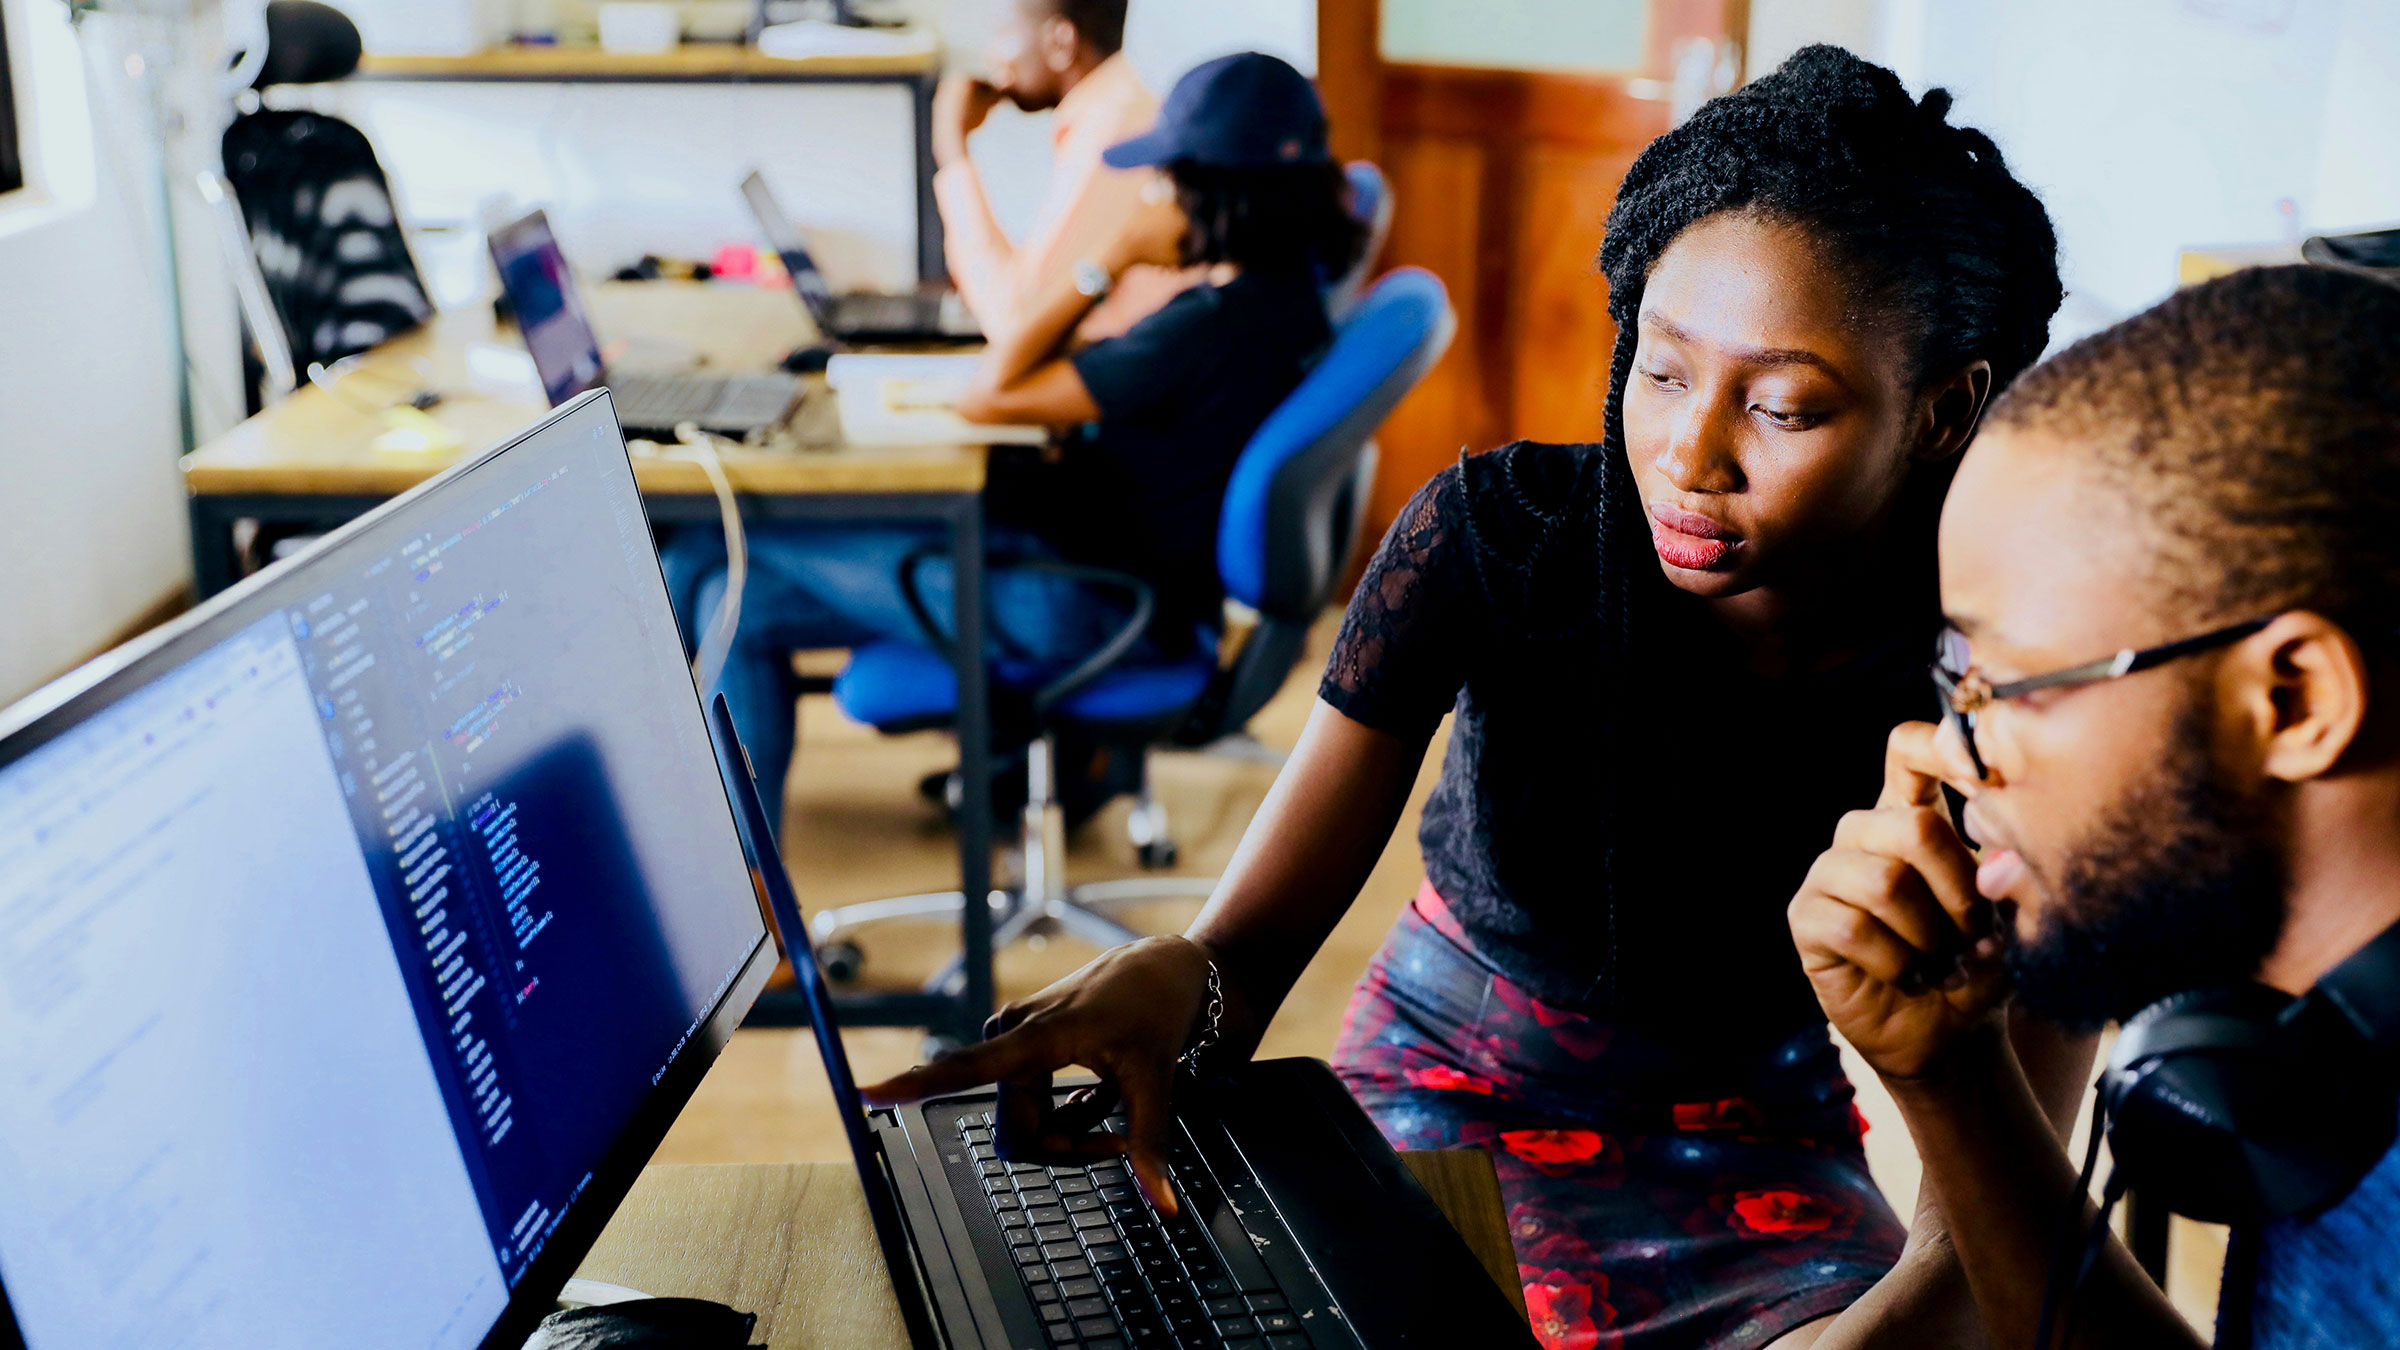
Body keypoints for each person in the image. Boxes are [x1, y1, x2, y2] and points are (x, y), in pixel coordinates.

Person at [866, 47, 2072, 1350]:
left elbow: (1988, 1235)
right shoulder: (1499, 544)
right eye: (1660, 372)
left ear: (1945, 410)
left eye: (1781, 406)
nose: (1689, 454)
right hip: (1446, 1087)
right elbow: (1243, 961)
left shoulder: (2014, 677)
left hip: (1759, 1142)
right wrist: (1179, 982)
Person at [1788, 265, 2400, 1349]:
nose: (1945, 754)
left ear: (2293, 699)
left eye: (2004, 686)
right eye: (1951, 676)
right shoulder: (2315, 1050)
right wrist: (1953, 1077)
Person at [665, 52, 1365, 823]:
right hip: (1116, 584)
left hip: (1082, 606)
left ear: (1214, 190)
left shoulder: (1205, 330)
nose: (1150, 193)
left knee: (708, 556)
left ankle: (719, 871)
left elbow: (991, 390)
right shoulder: (1287, 303)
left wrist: (1111, 256)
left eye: (1165, 176)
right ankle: (756, 891)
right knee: (737, 596)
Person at [934, 0, 1194, 343]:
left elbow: (1017, 323)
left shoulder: (1112, 135)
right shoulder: (1115, 113)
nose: (991, 55)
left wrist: (952, 151)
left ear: (1061, 43)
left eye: (1002, 34)